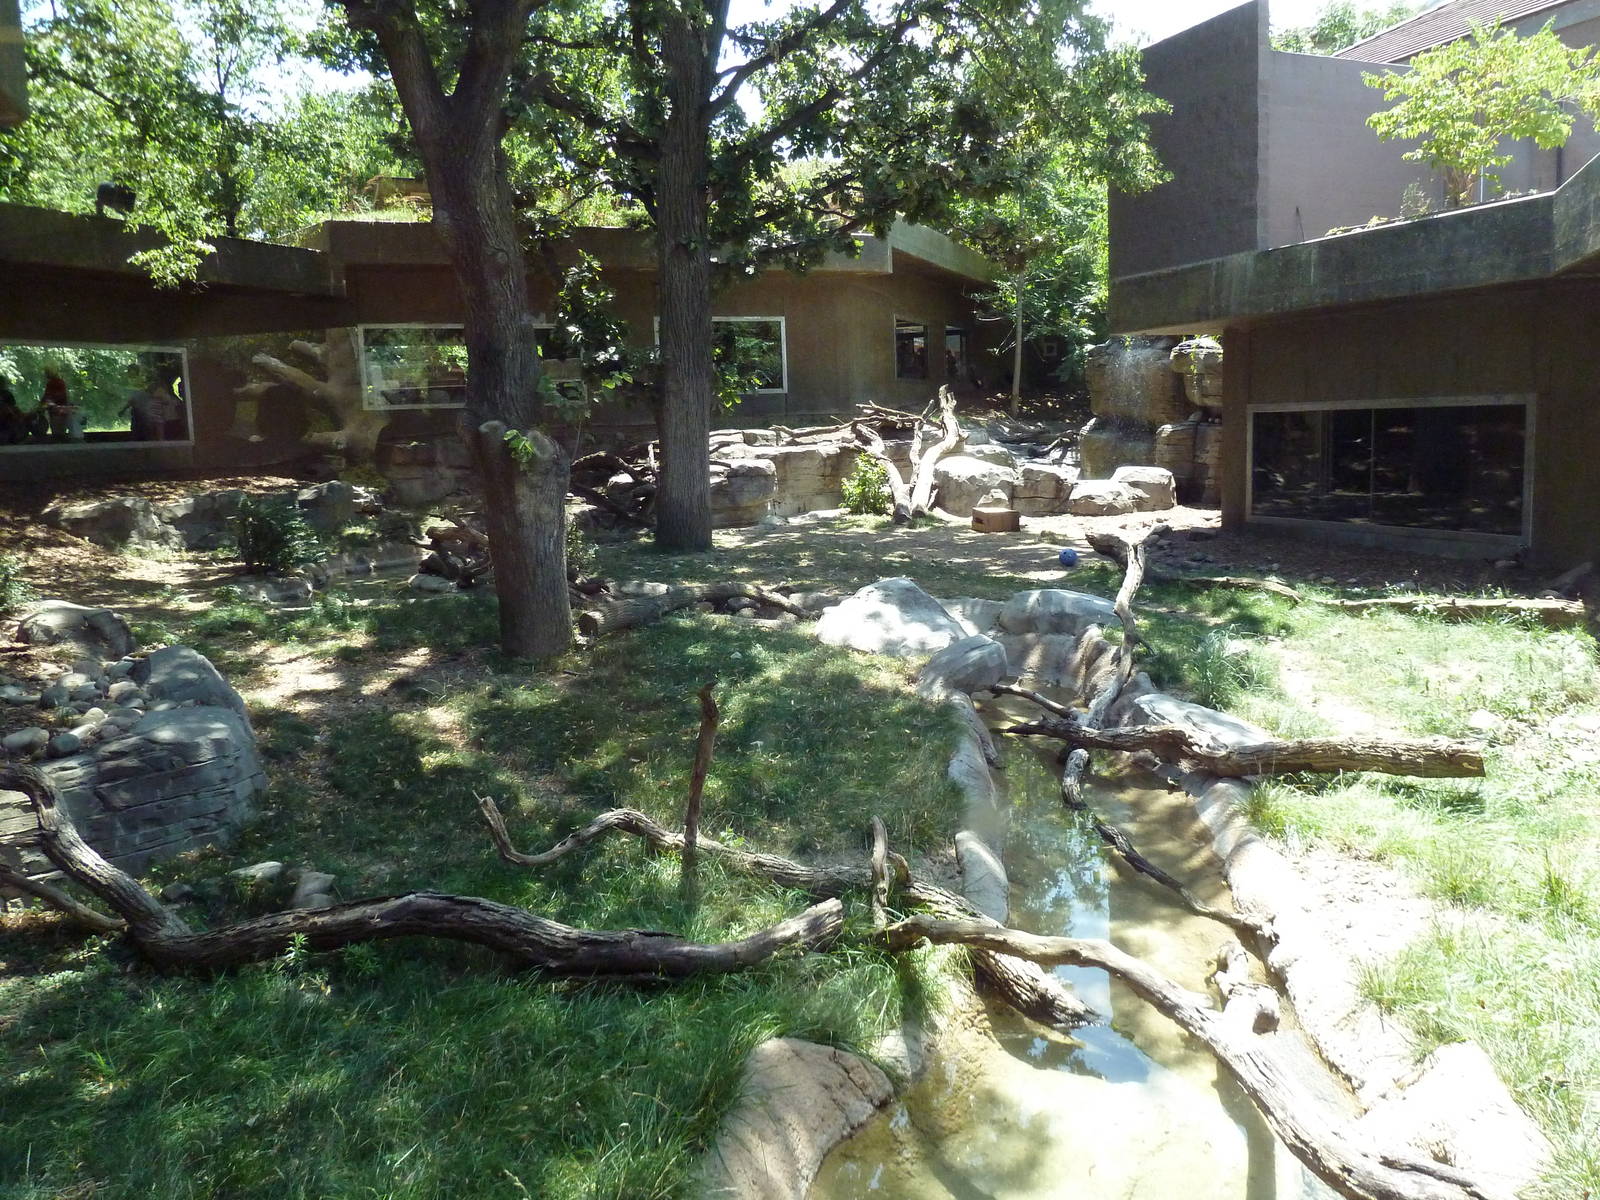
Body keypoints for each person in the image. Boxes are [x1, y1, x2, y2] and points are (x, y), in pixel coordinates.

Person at [0, 378, 24, 444]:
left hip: (8, 417)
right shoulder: (6, 394)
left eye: (2, 383)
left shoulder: (7, 394)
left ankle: (15, 436)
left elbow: (12, 406)